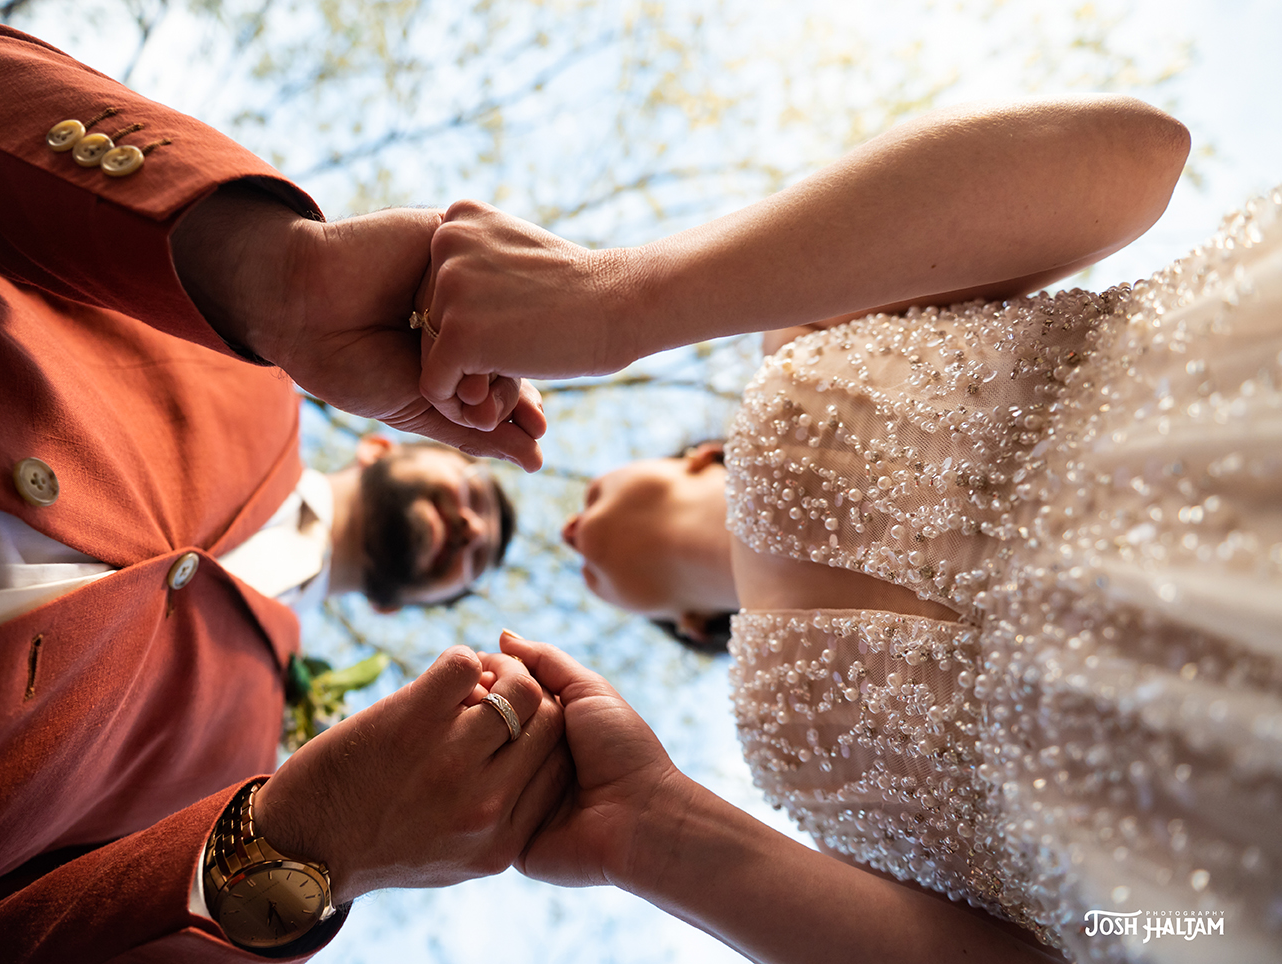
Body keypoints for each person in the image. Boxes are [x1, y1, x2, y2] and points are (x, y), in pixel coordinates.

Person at [419, 97, 1282, 960]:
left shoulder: (799, 332)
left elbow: (1139, 155)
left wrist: (624, 302)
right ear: (688, 624)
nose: (570, 529)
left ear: (699, 457)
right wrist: (649, 828)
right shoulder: (781, 761)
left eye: (596, 489)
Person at [0, 1, 560, 960]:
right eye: (474, 494)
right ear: (383, 448)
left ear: (405, 610)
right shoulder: (246, 348)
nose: (469, 528)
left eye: (475, 560)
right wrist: (273, 270)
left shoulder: (246, 781)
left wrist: (314, 847)